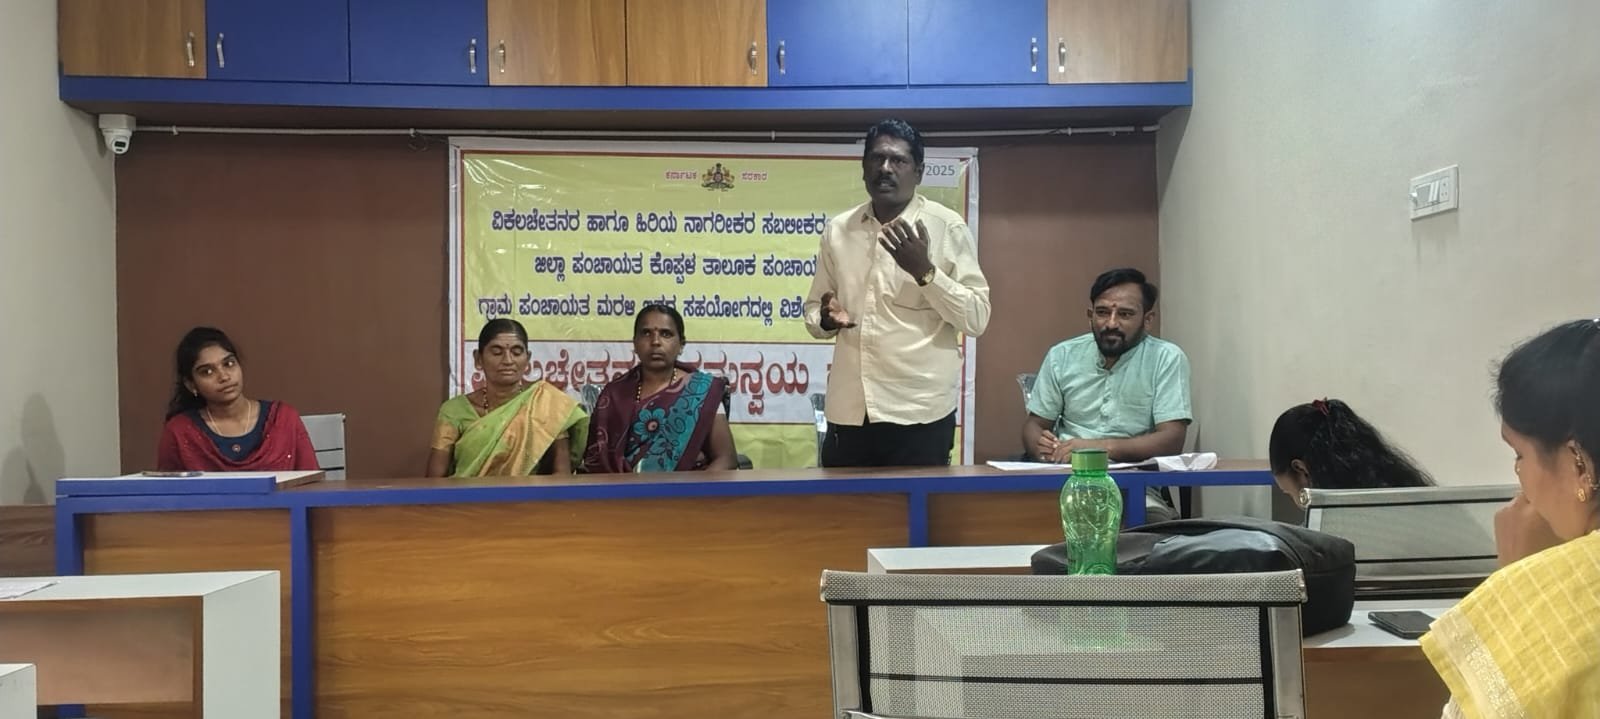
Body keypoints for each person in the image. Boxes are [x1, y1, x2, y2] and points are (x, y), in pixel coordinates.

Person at [1420, 319, 1600, 717]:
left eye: (1519, 454)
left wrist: (1521, 586)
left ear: (1579, 464)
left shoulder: (1557, 591)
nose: (1518, 477)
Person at [804, 118, 990, 467]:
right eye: (877, 158)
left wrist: (925, 272)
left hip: (919, 415)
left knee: (915, 505)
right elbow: (814, 309)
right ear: (863, 168)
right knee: (842, 504)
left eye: (898, 160)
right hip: (850, 413)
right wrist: (826, 320)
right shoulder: (839, 230)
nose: (885, 168)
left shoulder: (946, 227)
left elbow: (977, 317)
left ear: (918, 172)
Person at [1021, 268, 1190, 521]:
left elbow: (1172, 439)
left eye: (1125, 314)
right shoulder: (1062, 355)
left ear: (1147, 319)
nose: (1111, 323)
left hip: (1133, 484)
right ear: (1090, 315)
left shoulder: (1166, 358)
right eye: (1102, 312)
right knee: (1016, 521)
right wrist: (1041, 446)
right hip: (1064, 478)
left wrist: (1096, 449)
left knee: (1152, 528)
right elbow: (1035, 424)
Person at [582, 304, 738, 473]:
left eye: (666, 334)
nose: (655, 342)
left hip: (689, 486)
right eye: (646, 333)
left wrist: (693, 488)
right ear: (635, 343)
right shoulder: (614, 394)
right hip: (621, 488)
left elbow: (726, 458)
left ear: (681, 344)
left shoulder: (701, 390)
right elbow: (597, 462)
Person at [427, 319, 587, 477]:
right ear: (478, 359)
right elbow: (435, 480)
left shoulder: (546, 403)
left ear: (527, 359)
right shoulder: (454, 411)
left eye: (516, 352)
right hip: (468, 494)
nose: (508, 360)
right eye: (497, 352)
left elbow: (562, 474)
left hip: (529, 493)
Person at [156, 326, 319, 472]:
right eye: (207, 372)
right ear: (191, 384)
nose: (224, 377)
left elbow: (313, 487)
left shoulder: (283, 419)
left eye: (228, 364)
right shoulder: (180, 432)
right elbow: (167, 494)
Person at [1268, 398, 1433, 507]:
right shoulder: (1401, 488)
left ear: (1301, 470)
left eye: (1289, 493)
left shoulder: (1336, 522)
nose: (1295, 503)